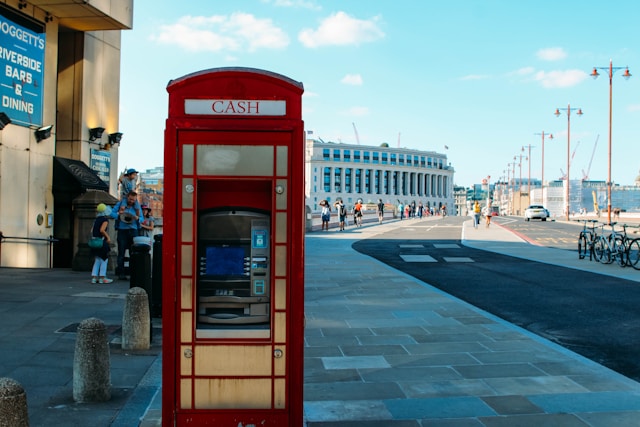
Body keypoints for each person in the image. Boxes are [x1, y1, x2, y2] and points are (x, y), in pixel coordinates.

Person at [110, 190, 143, 280]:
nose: (131, 201)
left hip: (133, 230)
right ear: (127, 197)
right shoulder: (120, 204)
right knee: (121, 252)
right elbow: (112, 213)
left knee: (134, 253)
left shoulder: (137, 207)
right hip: (122, 230)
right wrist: (119, 215)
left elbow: (142, 218)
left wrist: (137, 218)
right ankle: (121, 273)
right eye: (130, 199)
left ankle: (133, 272)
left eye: (133, 200)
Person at [91, 203, 113, 284]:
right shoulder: (104, 220)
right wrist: (108, 237)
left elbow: (92, 230)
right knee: (104, 259)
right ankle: (102, 277)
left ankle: (94, 277)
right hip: (101, 241)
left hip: (95, 241)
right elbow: (102, 230)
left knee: (97, 259)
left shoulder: (96, 219)